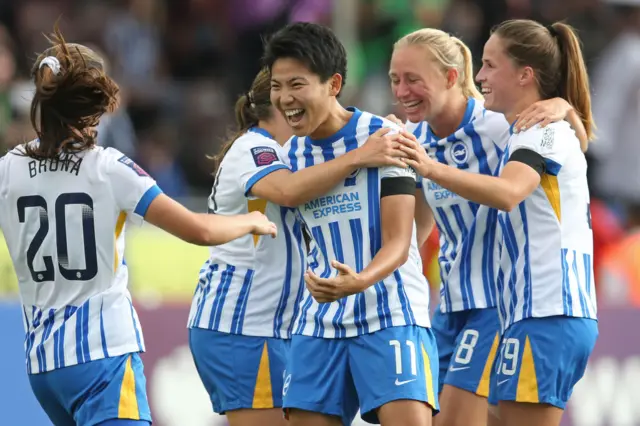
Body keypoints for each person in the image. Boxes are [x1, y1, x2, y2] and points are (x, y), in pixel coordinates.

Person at [0, 27, 276, 426]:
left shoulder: (9, 169)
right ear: (94, 109)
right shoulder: (109, 168)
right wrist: (250, 219)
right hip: (102, 356)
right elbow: (198, 230)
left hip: (43, 364)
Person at [398, 20, 598, 426]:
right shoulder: (525, 130)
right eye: (394, 79)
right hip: (516, 310)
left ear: (525, 74)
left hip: (545, 308)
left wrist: (430, 169)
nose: (480, 76)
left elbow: (509, 192)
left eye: (489, 65)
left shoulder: (534, 129)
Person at [187, 67, 413, 426]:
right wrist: (360, 154)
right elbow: (289, 190)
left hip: (269, 323)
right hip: (243, 321)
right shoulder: (256, 147)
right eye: (287, 96)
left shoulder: (290, 152)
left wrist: (377, 134)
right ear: (274, 104)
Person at [264, 22, 439, 426]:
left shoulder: (385, 135)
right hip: (318, 321)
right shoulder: (290, 155)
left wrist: (361, 280)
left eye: (296, 84)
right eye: (277, 86)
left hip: (390, 314)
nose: (285, 98)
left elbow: (400, 242)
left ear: (333, 83)